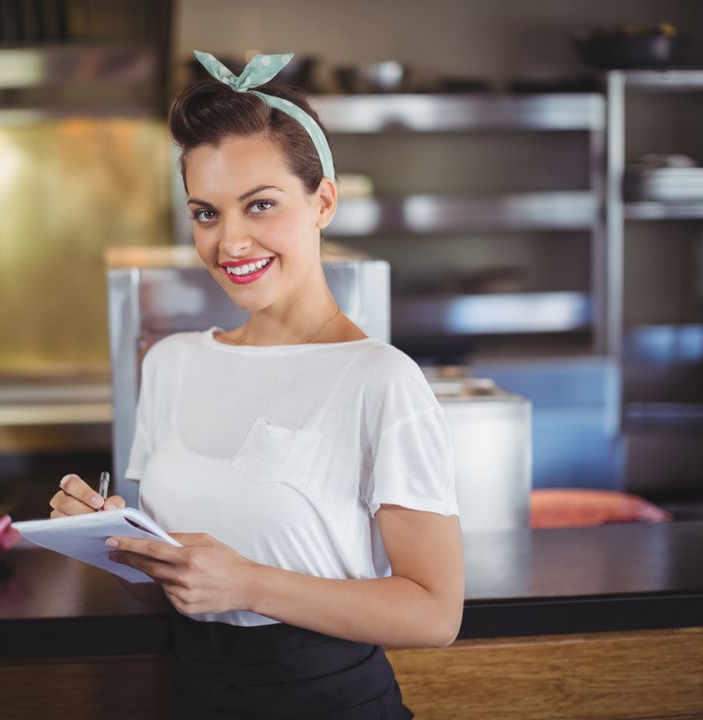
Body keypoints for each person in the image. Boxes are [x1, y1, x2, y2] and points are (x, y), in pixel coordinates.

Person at [49, 51, 464, 719]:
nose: (230, 242)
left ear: (322, 201)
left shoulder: (380, 379)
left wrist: (249, 583)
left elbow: (435, 612)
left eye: (260, 205)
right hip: (195, 695)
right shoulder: (170, 363)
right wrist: (111, 541)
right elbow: (171, 590)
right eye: (206, 214)